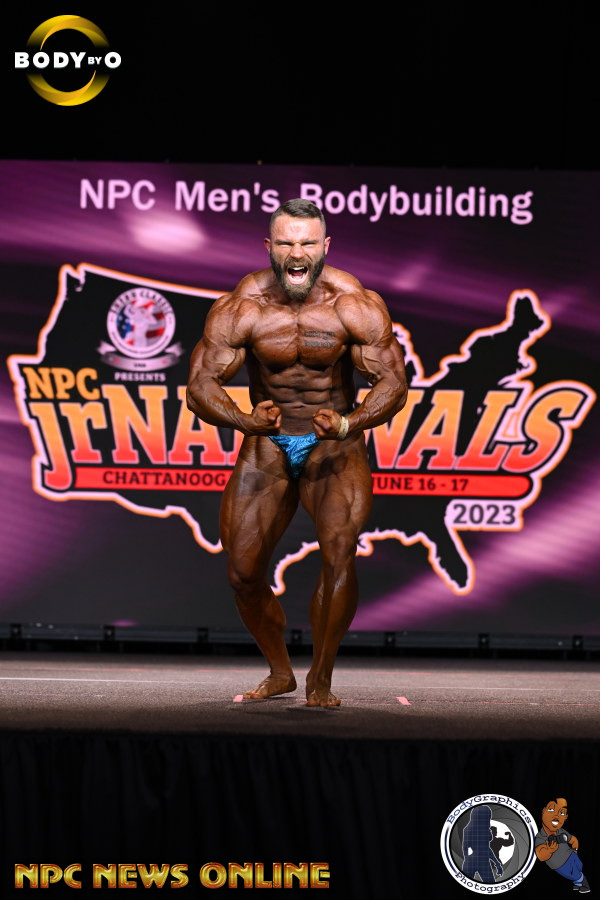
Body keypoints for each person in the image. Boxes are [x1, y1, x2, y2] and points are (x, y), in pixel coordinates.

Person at [187, 199, 407, 707]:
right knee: (243, 572)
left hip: (334, 443)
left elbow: (393, 382)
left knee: (339, 553)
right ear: (270, 247)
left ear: (325, 246)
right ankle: (281, 672)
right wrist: (244, 420)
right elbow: (200, 385)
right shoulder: (242, 306)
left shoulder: (353, 303)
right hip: (267, 441)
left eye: (307, 242)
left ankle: (320, 680)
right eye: (286, 242)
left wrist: (349, 423)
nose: (296, 252)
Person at [534, 798, 590, 893]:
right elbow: (540, 856)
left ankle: (578, 883)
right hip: (559, 865)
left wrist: (575, 850)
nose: (556, 815)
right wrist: (549, 851)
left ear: (566, 817)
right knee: (573, 875)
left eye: (562, 812)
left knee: (579, 867)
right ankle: (583, 881)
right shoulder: (541, 836)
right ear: (543, 811)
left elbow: (574, 840)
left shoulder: (561, 831)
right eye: (551, 809)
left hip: (571, 855)